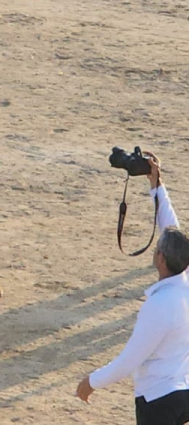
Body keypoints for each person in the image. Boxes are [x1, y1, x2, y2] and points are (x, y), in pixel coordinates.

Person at [76, 152, 187, 425]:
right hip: (184, 391)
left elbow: (130, 359)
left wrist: (91, 382)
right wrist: (156, 185)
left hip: (158, 400)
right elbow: (171, 229)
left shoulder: (159, 306)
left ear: (161, 259)